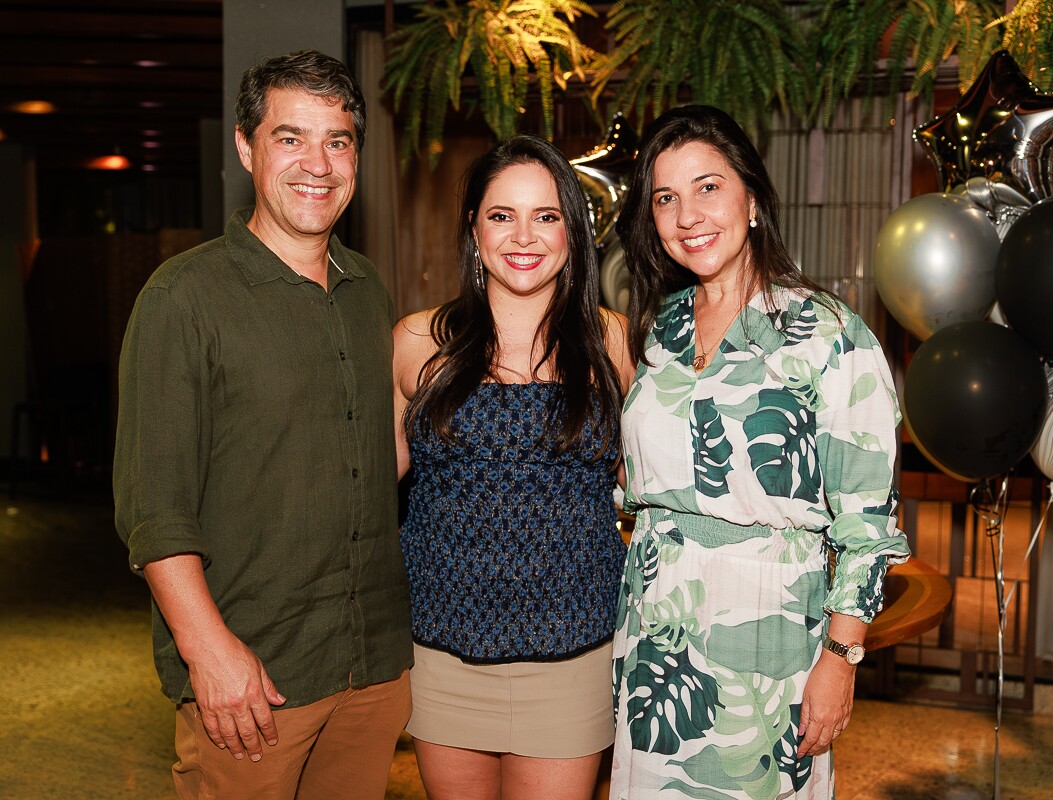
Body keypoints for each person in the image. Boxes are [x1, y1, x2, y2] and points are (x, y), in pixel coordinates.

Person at [113, 50, 412, 800]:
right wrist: (207, 651)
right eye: (291, 137)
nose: (318, 163)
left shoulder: (366, 288)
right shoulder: (183, 298)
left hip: (371, 665)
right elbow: (155, 510)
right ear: (246, 147)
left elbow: (374, 461)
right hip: (256, 678)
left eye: (338, 141)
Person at [610, 105, 911, 799]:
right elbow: (634, 488)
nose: (688, 214)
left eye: (708, 187)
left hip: (770, 643)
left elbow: (868, 531)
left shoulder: (830, 335)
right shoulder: (657, 333)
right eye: (666, 198)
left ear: (750, 198)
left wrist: (840, 658)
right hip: (654, 635)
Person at [392, 134, 633, 800]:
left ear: (573, 232)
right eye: (502, 215)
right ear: (473, 228)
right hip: (443, 653)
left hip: (574, 655)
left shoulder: (612, 341)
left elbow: (649, 489)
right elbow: (358, 497)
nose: (523, 236)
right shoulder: (419, 343)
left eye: (547, 216)